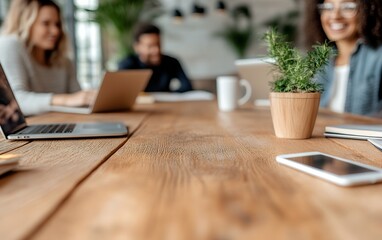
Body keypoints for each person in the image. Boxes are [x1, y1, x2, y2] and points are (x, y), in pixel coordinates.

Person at [0, 0, 96, 116]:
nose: (55, 31)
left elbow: (79, 99)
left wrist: (90, 97)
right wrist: (66, 100)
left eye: (57, 24)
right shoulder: (10, 44)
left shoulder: (64, 61)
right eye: (46, 23)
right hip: (33, 129)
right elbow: (16, 102)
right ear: (26, 23)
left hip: (60, 123)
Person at [305, 0, 382, 116]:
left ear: (368, 11)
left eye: (348, 7)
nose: (335, 16)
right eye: (328, 7)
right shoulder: (320, 60)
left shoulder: (378, 57)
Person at [118, 23, 193, 93]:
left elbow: (187, 87)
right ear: (137, 47)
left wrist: (168, 95)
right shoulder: (127, 65)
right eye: (150, 46)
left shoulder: (171, 62)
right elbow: (119, 92)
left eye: (158, 44)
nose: (156, 50)